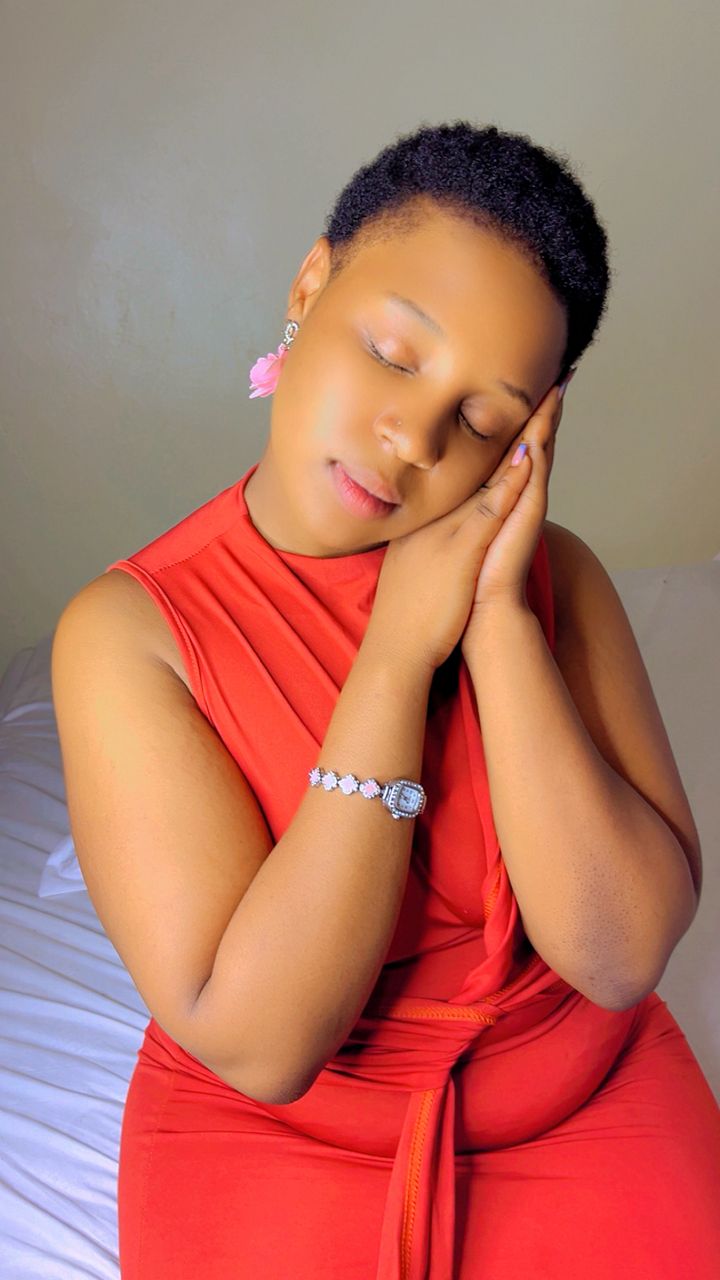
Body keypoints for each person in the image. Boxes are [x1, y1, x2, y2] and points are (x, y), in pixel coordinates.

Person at [51, 120, 720, 1278]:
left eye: (485, 417)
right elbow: (265, 1046)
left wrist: (500, 620)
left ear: (533, 436)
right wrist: (398, 655)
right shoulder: (128, 633)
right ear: (311, 283)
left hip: (590, 1103)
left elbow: (618, 956)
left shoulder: (555, 577)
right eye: (395, 353)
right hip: (282, 1140)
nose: (412, 436)